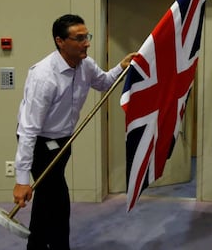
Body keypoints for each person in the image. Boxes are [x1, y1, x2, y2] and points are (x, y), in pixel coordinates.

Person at [13, 14, 137, 250]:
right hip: (40, 142)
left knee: (45, 200)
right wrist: (21, 180)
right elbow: (29, 130)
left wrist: (121, 67)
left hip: (63, 141)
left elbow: (103, 83)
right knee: (58, 201)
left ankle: (36, 245)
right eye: (79, 38)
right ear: (60, 41)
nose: (87, 43)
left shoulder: (85, 65)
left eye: (87, 36)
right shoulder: (43, 76)